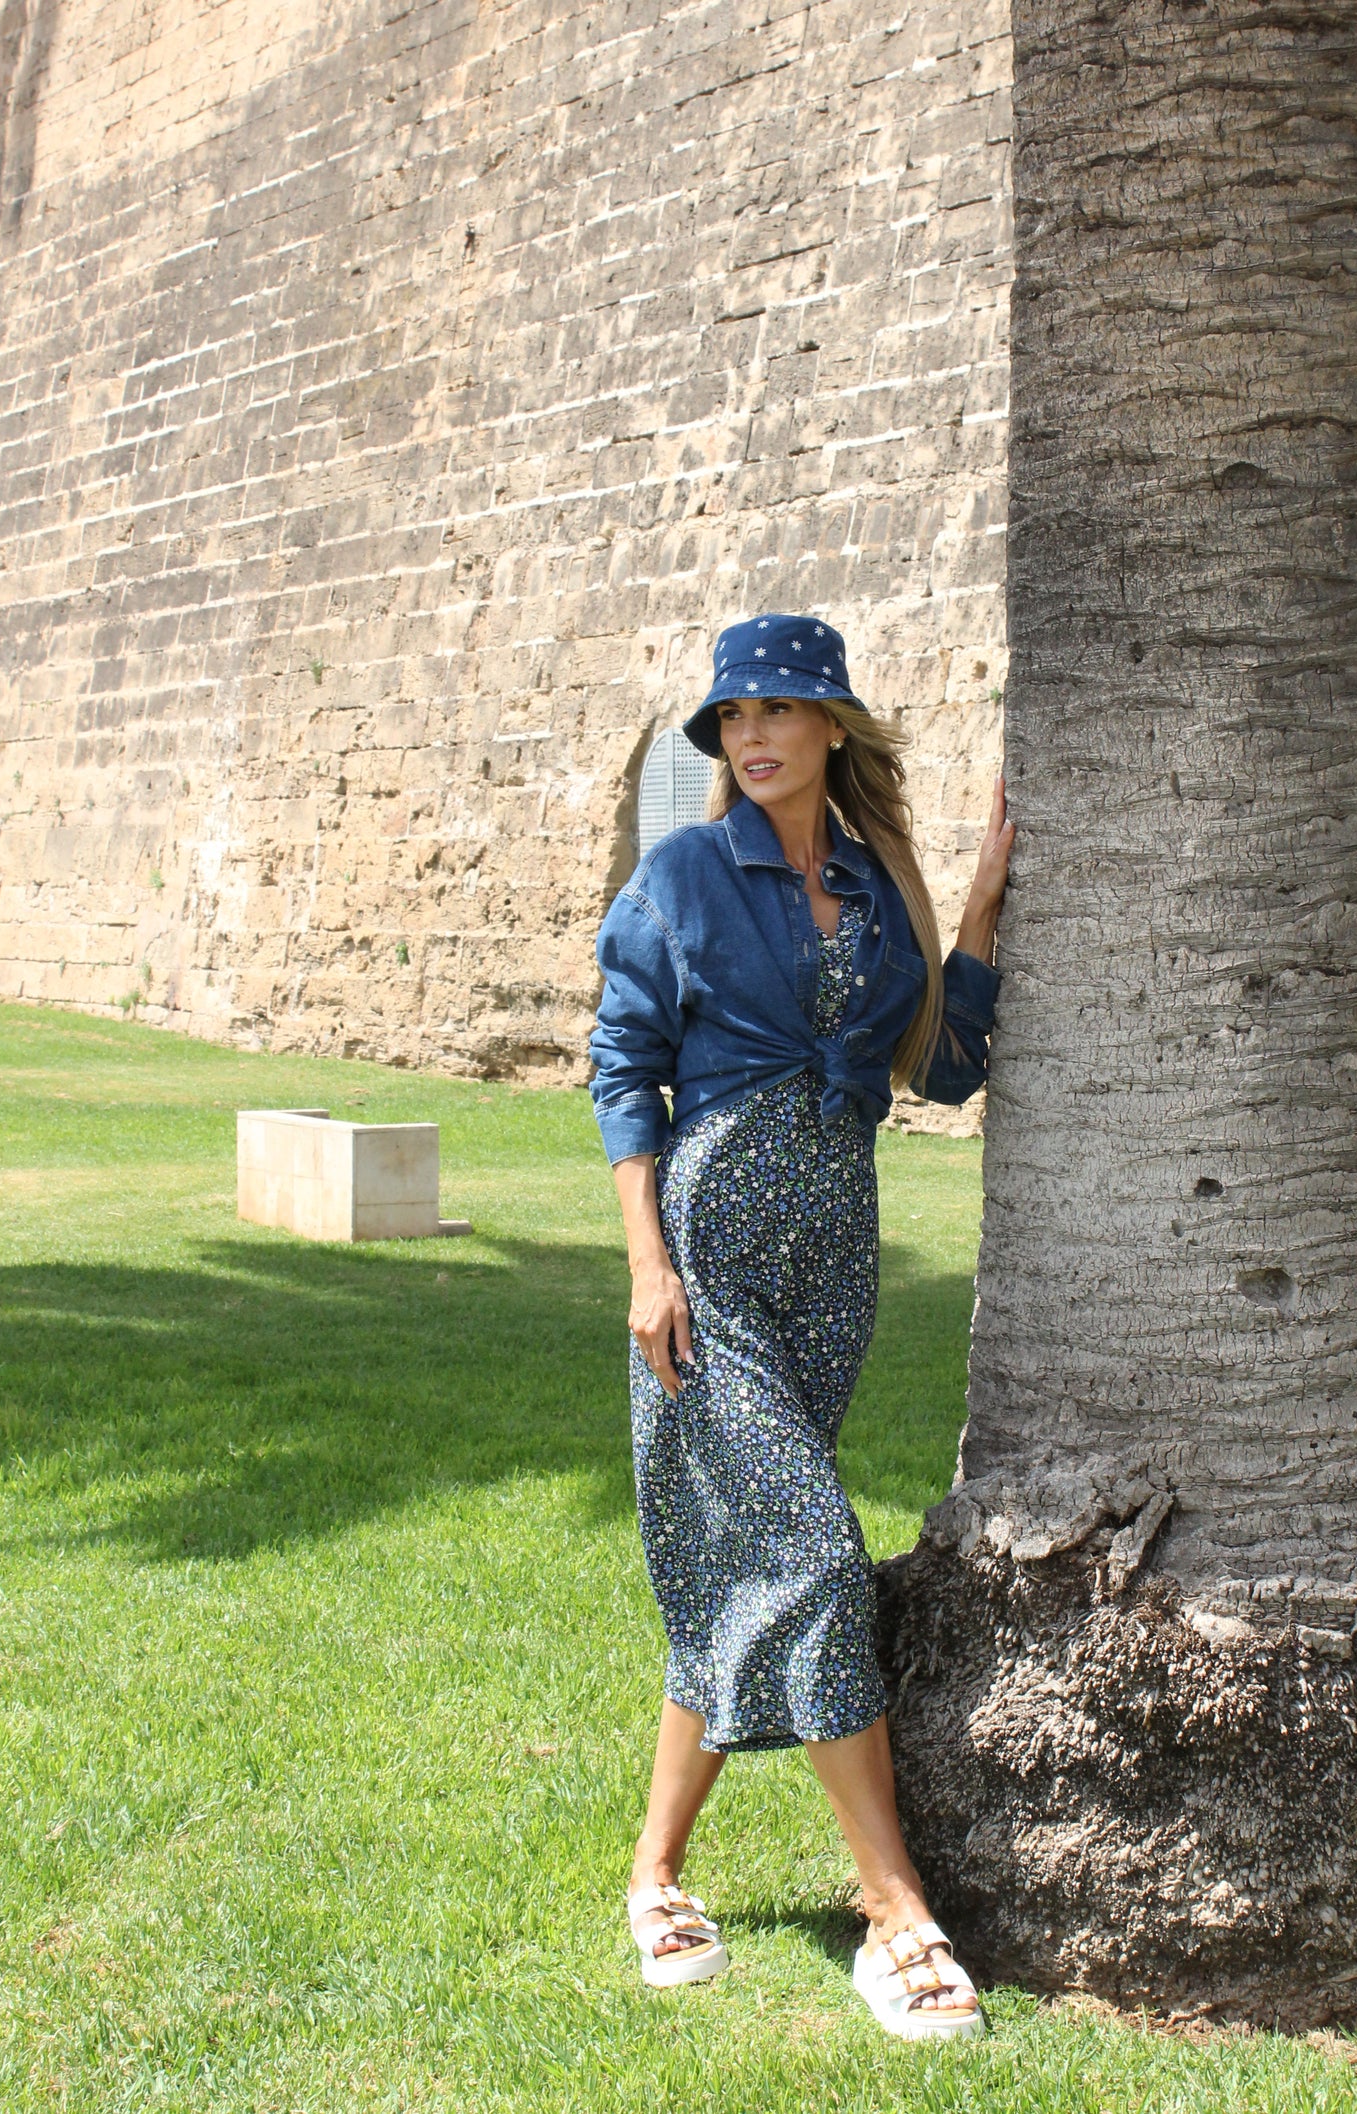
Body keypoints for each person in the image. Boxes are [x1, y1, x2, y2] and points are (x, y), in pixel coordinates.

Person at [588, 613, 1013, 2042]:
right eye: (734, 716)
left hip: (833, 1260)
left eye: (779, 709)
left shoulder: (878, 885)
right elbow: (622, 1068)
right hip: (707, 1258)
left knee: (749, 1568)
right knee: (816, 1554)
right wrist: (647, 1264)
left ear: (833, 725)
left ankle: (654, 1873)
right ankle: (896, 1911)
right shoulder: (682, 875)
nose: (753, 734)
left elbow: (939, 1071)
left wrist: (978, 911)